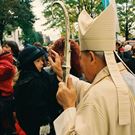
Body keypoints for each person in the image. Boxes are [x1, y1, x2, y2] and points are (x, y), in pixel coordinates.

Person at [50, 3, 135, 135]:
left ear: (91, 57)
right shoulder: (129, 79)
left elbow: (96, 96)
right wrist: (61, 73)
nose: (80, 63)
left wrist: (68, 107)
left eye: (80, 57)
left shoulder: (96, 97)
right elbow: (91, 90)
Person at [14, 46, 62, 135]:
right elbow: (37, 107)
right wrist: (44, 123)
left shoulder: (36, 76)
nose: (42, 63)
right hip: (38, 126)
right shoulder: (33, 82)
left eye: (41, 60)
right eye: (38, 61)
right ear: (29, 63)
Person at [0, 46, 16, 135]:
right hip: (5, 97)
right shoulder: (4, 61)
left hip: (4, 97)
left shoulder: (5, 64)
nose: (5, 48)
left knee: (5, 125)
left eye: (7, 46)